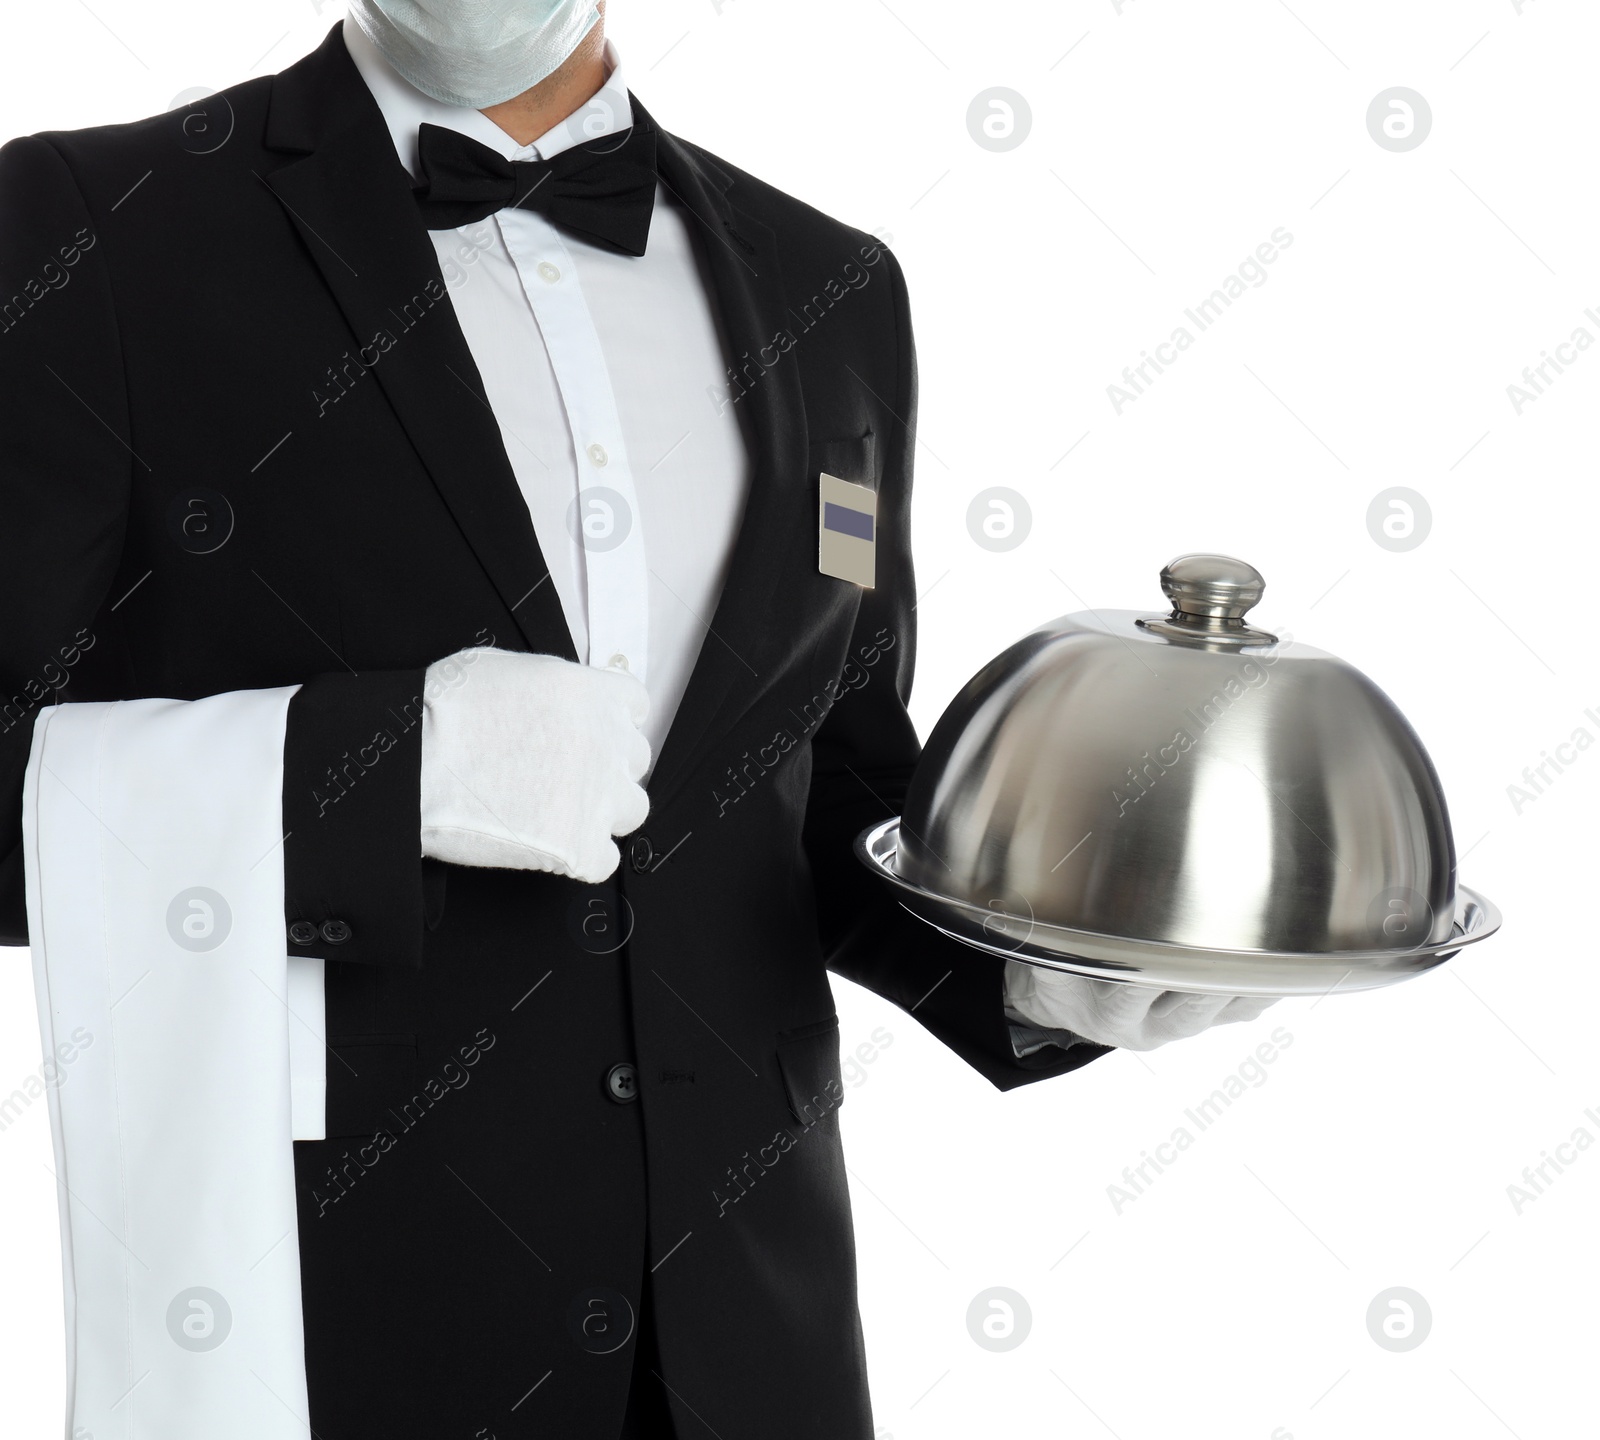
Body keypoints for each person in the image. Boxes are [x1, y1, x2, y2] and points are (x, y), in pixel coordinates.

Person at [0, 3, 1272, 1434]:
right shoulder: (97, 225)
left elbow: (827, 788)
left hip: (752, 1329)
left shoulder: (833, 285)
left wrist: (1035, 967)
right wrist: (385, 772)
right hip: (342, 1306)